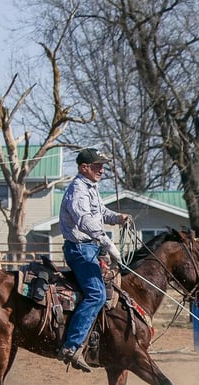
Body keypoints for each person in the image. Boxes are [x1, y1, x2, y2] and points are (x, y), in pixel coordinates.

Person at [57, 148, 131, 372]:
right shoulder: (77, 190)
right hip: (80, 250)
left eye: (103, 165)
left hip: (90, 248)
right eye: (98, 166)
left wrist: (117, 218)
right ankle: (71, 345)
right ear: (84, 168)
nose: (103, 169)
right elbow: (84, 220)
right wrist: (106, 241)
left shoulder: (91, 188)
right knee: (96, 293)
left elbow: (100, 213)